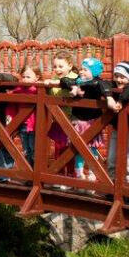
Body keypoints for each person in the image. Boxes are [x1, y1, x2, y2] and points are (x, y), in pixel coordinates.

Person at [65, 57, 108, 180]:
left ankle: (92, 172)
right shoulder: (77, 82)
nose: (81, 72)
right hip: (78, 120)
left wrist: (80, 86)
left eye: (85, 70)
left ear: (94, 72)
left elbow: (99, 86)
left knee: (92, 148)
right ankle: (79, 173)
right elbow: (65, 80)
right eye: (81, 69)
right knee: (78, 148)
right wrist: (74, 87)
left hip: (92, 122)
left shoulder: (98, 83)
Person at [45, 51, 79, 179]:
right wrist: (47, 86)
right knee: (59, 147)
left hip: (73, 120)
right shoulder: (53, 79)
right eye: (55, 66)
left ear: (70, 65)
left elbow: (75, 85)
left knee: (70, 149)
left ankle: (71, 176)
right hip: (58, 120)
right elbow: (48, 96)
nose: (57, 69)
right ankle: (58, 175)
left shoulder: (76, 78)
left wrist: (58, 83)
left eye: (60, 66)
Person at [7, 61, 43, 167]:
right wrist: (10, 117)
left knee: (35, 149)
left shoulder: (38, 90)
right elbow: (11, 104)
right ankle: (29, 173)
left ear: (37, 77)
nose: (25, 79)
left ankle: (36, 173)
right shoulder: (19, 90)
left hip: (36, 125)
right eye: (23, 77)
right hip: (23, 125)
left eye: (28, 77)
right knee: (26, 149)